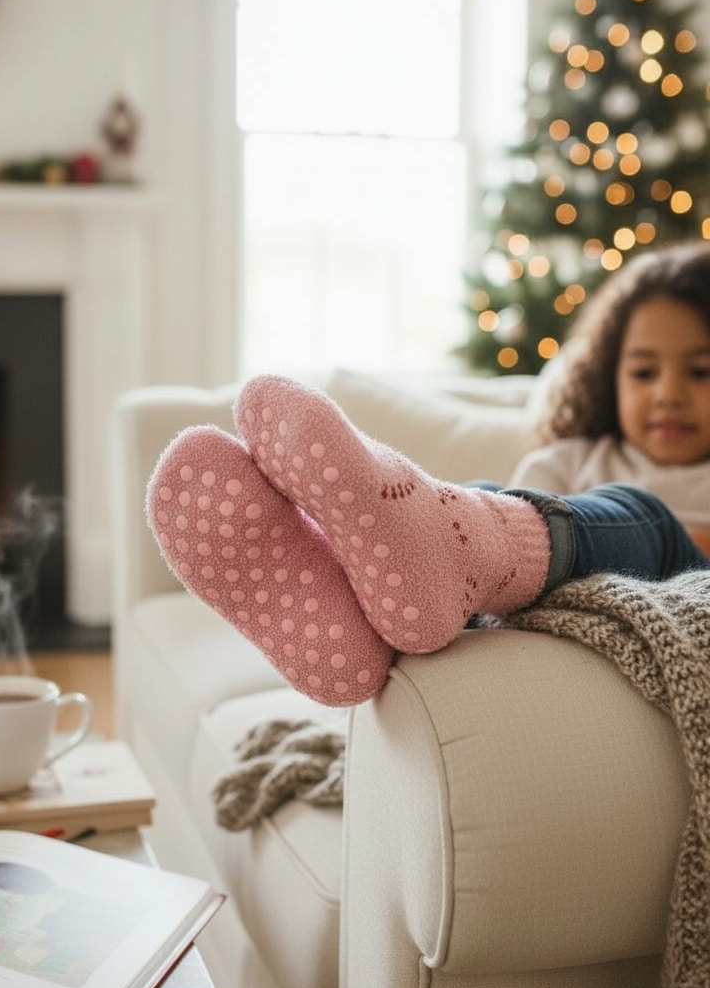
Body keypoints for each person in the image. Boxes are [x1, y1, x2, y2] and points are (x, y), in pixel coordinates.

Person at [147, 242, 710, 707]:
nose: (668, 394)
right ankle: (354, 621)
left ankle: (448, 542)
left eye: (700, 371)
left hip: (677, 585)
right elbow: (538, 523)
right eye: (642, 371)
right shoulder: (574, 457)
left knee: (644, 515)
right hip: (549, 595)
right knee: (492, 501)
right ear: (608, 377)